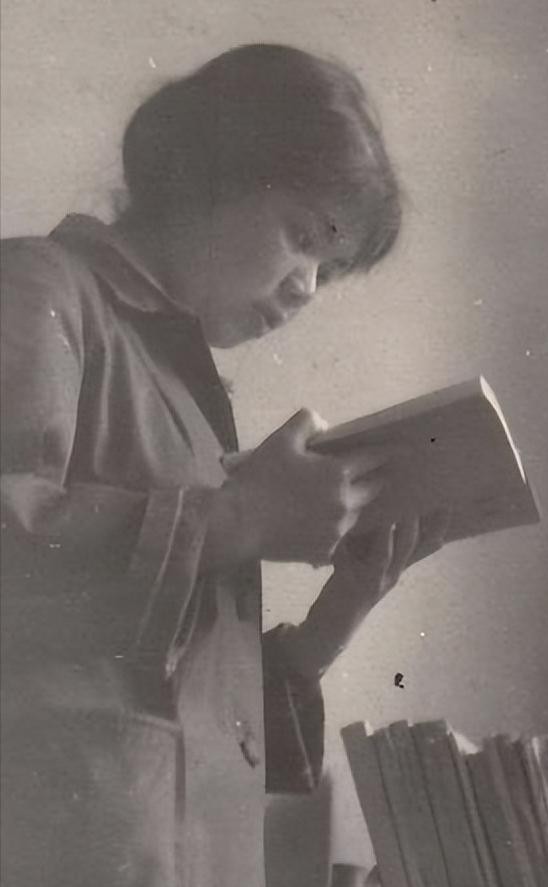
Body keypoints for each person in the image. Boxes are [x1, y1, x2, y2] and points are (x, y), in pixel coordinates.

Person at [0, 44, 445, 887]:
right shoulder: (39, 288)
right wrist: (241, 518)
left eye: (328, 268)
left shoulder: (187, 399)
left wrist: (334, 618)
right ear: (206, 172)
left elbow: (176, 711)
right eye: (302, 236)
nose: (307, 286)